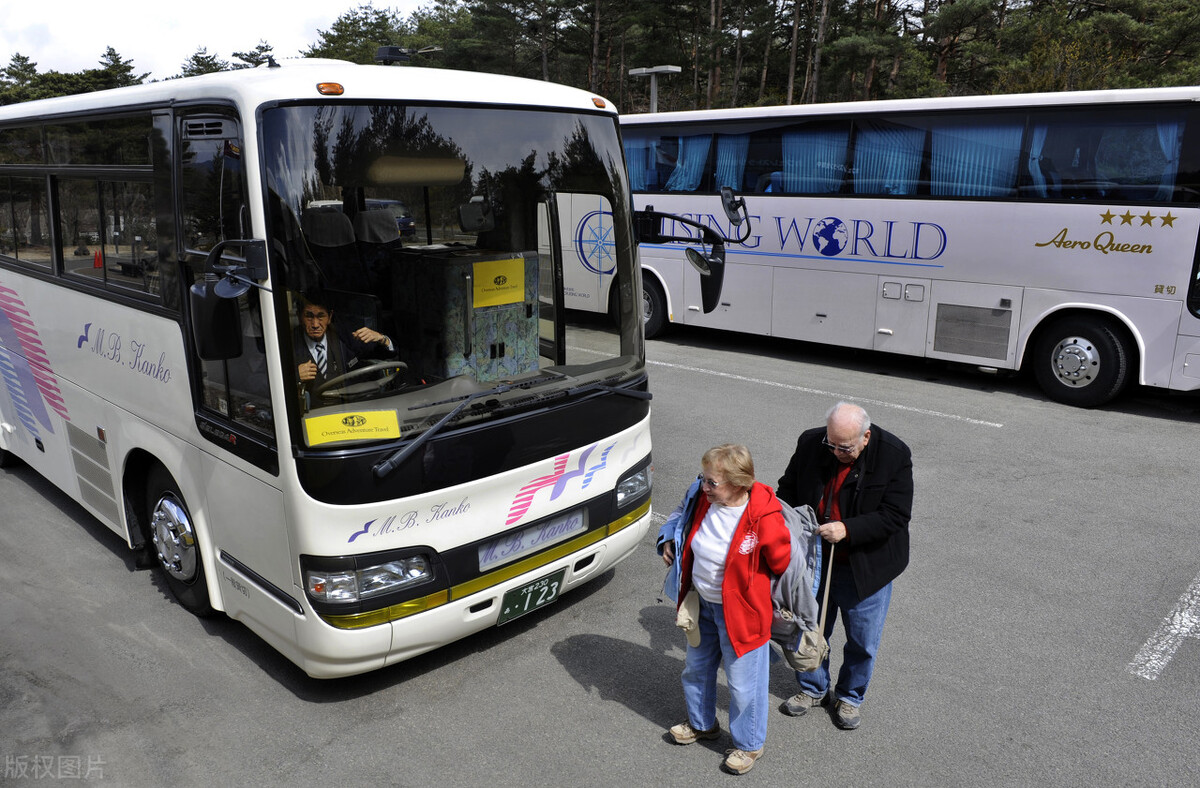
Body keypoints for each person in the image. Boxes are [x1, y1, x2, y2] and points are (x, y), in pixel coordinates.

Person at [775, 402, 912, 730]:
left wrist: (847, 529)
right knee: (810, 627)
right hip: (816, 559)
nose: (836, 452)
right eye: (832, 443)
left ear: (866, 437)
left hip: (866, 567)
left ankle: (850, 695)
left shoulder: (894, 455)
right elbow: (787, 490)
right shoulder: (811, 442)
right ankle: (813, 688)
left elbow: (895, 515)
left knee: (863, 639)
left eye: (845, 447)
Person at [660, 445, 791, 775]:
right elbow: (678, 516)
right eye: (703, 478)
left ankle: (749, 744)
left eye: (712, 482)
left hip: (743, 614)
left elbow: (781, 562)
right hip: (702, 602)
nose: (703, 486)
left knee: (744, 684)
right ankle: (702, 724)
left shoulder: (764, 515)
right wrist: (667, 540)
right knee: (696, 669)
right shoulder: (701, 497)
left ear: (738, 483)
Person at [293, 290, 397, 396]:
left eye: (321, 316)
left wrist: (382, 339)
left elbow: (384, 353)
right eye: (309, 316)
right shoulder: (288, 343)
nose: (315, 324)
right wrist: (295, 376)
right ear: (299, 317)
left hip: (348, 403)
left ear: (329, 317)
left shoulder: (343, 335)